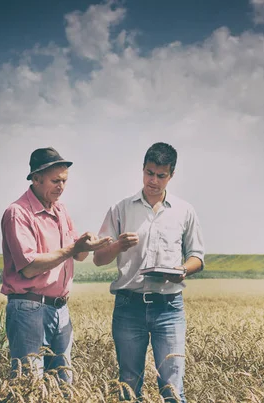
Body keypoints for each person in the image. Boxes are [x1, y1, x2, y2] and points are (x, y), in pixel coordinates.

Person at [94, 142, 205, 403]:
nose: (153, 180)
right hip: (128, 307)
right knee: (129, 386)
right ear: (142, 169)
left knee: (173, 387)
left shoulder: (184, 211)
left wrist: (182, 270)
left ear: (172, 175)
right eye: (149, 172)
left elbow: (197, 257)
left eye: (160, 175)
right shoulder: (120, 208)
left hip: (169, 307)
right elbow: (99, 258)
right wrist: (118, 245)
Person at [0, 147, 111, 383]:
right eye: (55, 180)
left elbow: (78, 256)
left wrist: (88, 244)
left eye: (64, 181)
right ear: (36, 178)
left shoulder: (61, 210)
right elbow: (29, 266)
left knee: (63, 384)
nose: (61, 187)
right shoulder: (18, 213)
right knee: (29, 385)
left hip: (60, 310)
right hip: (28, 307)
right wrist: (74, 247)